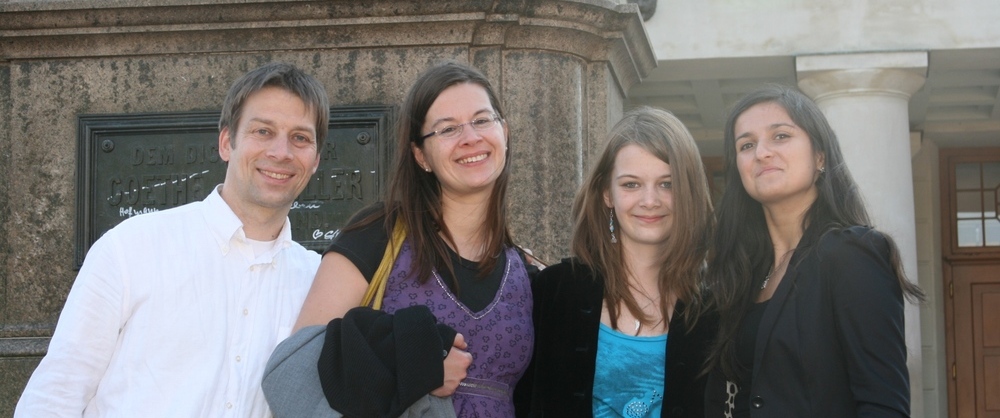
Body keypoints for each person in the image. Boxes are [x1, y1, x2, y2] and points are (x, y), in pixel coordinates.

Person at [14, 62, 328, 417]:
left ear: (315, 160)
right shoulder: (131, 248)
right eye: (263, 131)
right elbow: (56, 393)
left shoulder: (318, 281)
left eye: (300, 138)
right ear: (227, 142)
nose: (281, 152)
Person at [292, 61, 535, 418]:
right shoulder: (377, 234)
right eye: (448, 128)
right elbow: (299, 369)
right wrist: (412, 367)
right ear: (421, 155)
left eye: (482, 120)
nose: (471, 137)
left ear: (505, 133)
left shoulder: (524, 272)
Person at [702, 84, 925, 417]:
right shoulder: (741, 273)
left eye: (780, 136)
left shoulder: (852, 254)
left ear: (820, 155)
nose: (762, 152)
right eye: (746, 145)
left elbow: (883, 404)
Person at [515, 106, 717, 418]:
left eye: (667, 183)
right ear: (606, 193)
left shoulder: (717, 308)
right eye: (631, 184)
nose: (650, 200)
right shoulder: (554, 292)